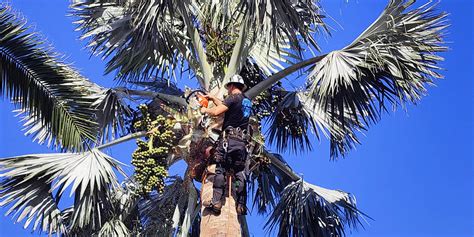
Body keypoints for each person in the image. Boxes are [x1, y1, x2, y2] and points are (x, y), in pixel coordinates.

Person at [200, 74, 252, 215]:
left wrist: (205, 110)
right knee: (239, 172)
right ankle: (241, 204)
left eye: (228, 87)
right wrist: (213, 98)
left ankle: (216, 202)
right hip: (242, 144)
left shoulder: (232, 97)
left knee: (221, 168)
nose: (227, 90)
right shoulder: (247, 101)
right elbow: (229, 108)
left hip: (229, 141)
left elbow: (218, 112)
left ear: (232, 86)